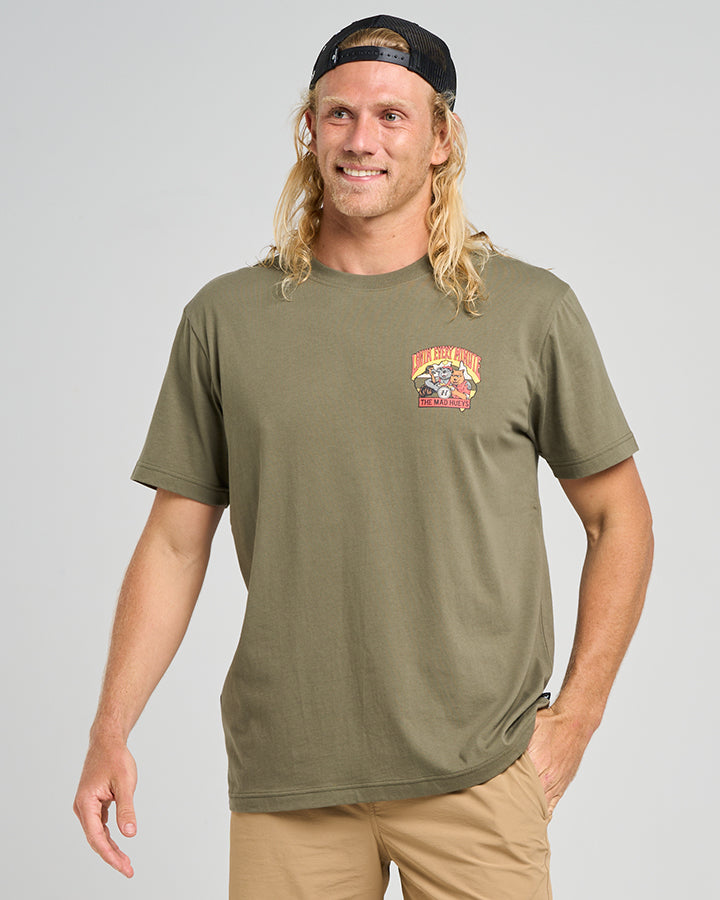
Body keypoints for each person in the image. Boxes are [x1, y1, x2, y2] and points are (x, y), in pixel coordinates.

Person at [73, 14, 653, 899]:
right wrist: (110, 729)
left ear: (441, 139)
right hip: (289, 776)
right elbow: (174, 543)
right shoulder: (226, 319)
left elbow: (620, 518)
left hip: (476, 772)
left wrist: (577, 716)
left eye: (391, 115)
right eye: (339, 113)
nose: (361, 140)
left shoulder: (529, 311)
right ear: (309, 131)